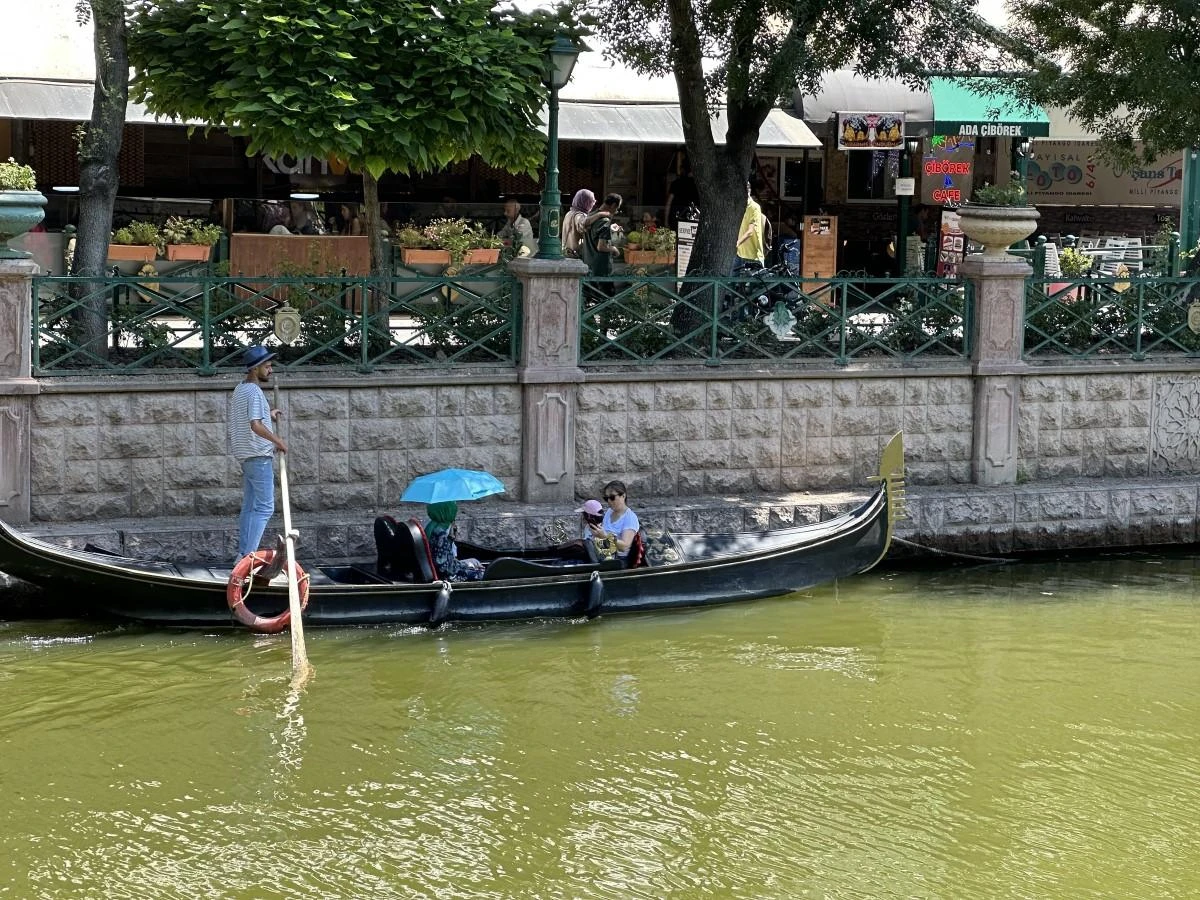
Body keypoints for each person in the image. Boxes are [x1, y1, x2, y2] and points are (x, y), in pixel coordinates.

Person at [228, 345, 287, 561]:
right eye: (267, 366)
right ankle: (247, 557)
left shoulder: (240, 389)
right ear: (255, 369)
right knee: (264, 508)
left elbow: (252, 417)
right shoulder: (254, 391)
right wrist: (278, 441)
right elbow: (255, 425)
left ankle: (243, 554)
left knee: (250, 507)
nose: (270, 371)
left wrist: (268, 413)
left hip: (246, 456)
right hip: (258, 456)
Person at [425, 501, 485, 582]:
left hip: (446, 568)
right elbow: (443, 567)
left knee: (474, 562)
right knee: (482, 573)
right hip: (448, 576)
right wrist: (464, 567)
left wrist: (450, 537)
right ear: (447, 511)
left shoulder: (431, 526)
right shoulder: (440, 534)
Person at [588, 481, 640, 562]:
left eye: (612, 497)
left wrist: (604, 536)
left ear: (623, 496)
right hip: (604, 553)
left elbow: (624, 546)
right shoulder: (609, 511)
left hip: (619, 560)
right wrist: (596, 533)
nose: (609, 501)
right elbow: (603, 534)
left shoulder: (630, 517)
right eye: (606, 498)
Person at [582, 193, 622, 277]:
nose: (616, 211)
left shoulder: (591, 216)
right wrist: (614, 249)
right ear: (613, 205)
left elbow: (594, 233)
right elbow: (601, 247)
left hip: (588, 264)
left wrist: (610, 228)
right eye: (617, 208)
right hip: (601, 268)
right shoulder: (605, 221)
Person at [735, 181, 769, 272]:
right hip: (740, 254)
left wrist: (737, 243)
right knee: (733, 284)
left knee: (756, 285)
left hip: (753, 256)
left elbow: (750, 231)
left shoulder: (754, 207)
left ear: (748, 191)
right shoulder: (739, 207)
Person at [664, 159, 698, 231]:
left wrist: (666, 222)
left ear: (683, 169)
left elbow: (668, 203)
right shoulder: (699, 186)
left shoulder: (676, 183)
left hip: (677, 220)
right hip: (693, 222)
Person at [561, 189, 595, 258]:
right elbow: (583, 224)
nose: (593, 204)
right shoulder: (579, 215)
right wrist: (599, 215)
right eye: (591, 202)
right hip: (576, 256)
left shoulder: (569, 213)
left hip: (567, 253)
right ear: (585, 202)